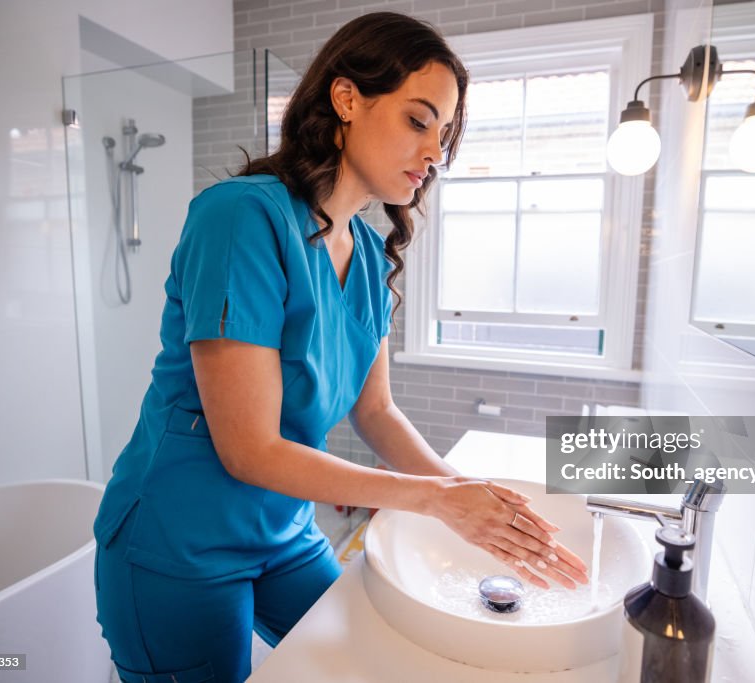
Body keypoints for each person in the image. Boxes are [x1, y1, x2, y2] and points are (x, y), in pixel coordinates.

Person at [93, 11, 588, 683]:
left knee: (369, 664)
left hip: (283, 535)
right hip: (179, 542)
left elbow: (377, 412)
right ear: (347, 98)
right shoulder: (241, 217)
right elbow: (249, 448)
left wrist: (469, 489)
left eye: (444, 134)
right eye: (419, 121)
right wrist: (435, 500)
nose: (436, 151)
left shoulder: (366, 260)